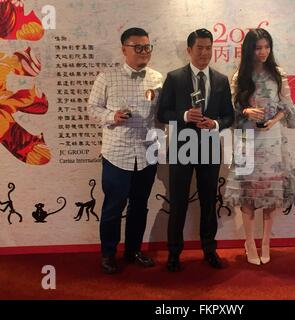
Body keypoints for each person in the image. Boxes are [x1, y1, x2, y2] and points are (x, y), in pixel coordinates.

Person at [224, 28, 295, 265]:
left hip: (272, 139)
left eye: (267, 47)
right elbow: (233, 111)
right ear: (249, 49)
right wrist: (247, 111)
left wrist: (272, 121)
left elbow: (286, 106)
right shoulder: (240, 76)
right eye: (258, 47)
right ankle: (249, 241)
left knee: (272, 192)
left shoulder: (278, 74)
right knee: (247, 192)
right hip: (248, 138)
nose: (263, 52)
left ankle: (267, 241)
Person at [157, 28, 234, 272]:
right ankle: (173, 253)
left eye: (208, 47)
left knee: (209, 201)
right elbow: (162, 114)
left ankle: (209, 250)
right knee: (178, 201)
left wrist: (216, 123)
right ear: (189, 50)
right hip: (182, 146)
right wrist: (183, 115)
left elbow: (229, 116)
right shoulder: (174, 78)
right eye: (199, 47)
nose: (204, 52)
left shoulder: (221, 80)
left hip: (210, 147)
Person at [88, 27, 163, 274]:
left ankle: (133, 251)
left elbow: (162, 115)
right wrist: (113, 116)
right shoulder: (107, 77)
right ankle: (108, 254)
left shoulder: (157, 79)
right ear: (124, 49)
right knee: (113, 206)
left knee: (140, 206)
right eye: (138, 47)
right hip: (116, 153)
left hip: (147, 153)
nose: (144, 52)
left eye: (147, 47)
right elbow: (92, 110)